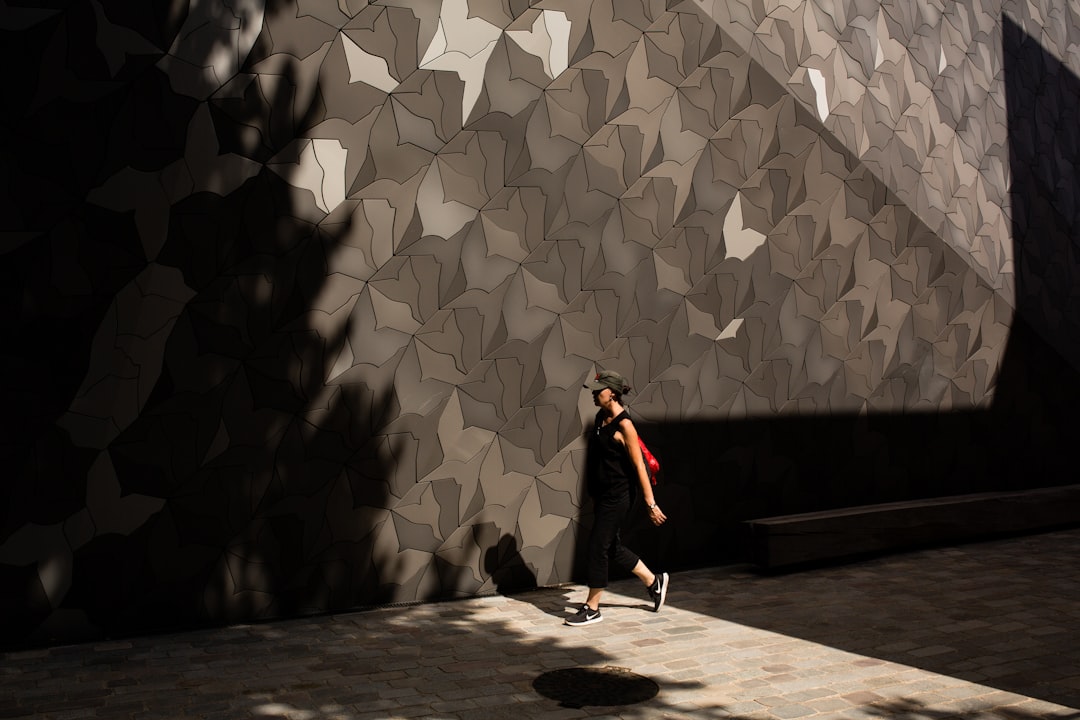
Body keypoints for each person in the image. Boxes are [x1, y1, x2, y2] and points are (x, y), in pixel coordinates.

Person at [565, 370, 669, 627]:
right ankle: (653, 582)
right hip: (603, 495)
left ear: (611, 393)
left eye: (597, 390)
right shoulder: (601, 417)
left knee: (597, 547)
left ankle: (592, 607)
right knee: (611, 547)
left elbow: (639, 467)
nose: (592, 393)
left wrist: (651, 504)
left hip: (619, 496)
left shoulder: (624, 425)